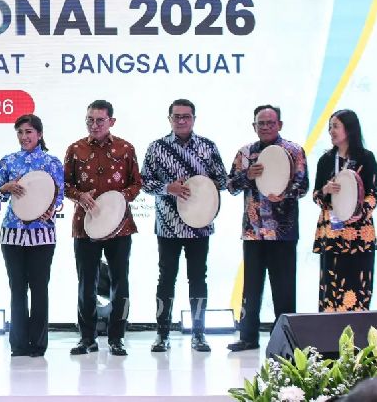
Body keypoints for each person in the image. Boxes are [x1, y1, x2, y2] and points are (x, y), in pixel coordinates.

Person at [140, 98, 228, 353]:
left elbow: (223, 180)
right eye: (176, 116)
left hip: (200, 224)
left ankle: (199, 334)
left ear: (194, 119)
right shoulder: (157, 147)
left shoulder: (207, 146)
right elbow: (144, 183)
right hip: (168, 224)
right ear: (169, 119)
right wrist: (168, 188)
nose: (181, 121)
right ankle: (162, 333)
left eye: (186, 116)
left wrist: (203, 185)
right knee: (166, 278)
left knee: (198, 278)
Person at [226, 104, 308, 352]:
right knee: (251, 288)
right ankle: (248, 337)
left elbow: (303, 186)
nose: (265, 127)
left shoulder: (294, 150)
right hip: (253, 231)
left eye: (270, 123)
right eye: (260, 123)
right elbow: (230, 186)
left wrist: (283, 194)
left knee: (284, 289)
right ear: (254, 126)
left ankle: (286, 341)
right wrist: (247, 176)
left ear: (279, 124)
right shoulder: (245, 152)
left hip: (283, 232)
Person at [64, 100, 142, 357]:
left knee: (120, 282)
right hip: (85, 225)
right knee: (86, 283)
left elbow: (136, 184)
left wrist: (118, 200)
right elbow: (65, 184)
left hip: (120, 225)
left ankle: (117, 337)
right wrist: (79, 196)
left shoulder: (126, 148)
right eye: (90, 120)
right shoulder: (75, 149)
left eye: (99, 120)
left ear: (111, 121)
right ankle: (87, 338)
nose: (94, 125)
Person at [0, 114, 64, 357]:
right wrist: (5, 188)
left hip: (42, 234)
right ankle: (19, 344)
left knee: (40, 288)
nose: (24, 137)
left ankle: (38, 343)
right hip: (12, 233)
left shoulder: (52, 163)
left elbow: (59, 196)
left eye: (29, 132)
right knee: (17, 289)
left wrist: (51, 209)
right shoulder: (8, 161)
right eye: (20, 132)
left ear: (39, 134)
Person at [313, 109, 377, 312]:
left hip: (358, 235)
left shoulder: (366, 159)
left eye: (335, 126)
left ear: (349, 129)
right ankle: (329, 330)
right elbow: (316, 196)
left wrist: (356, 214)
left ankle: (358, 330)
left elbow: (373, 195)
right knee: (331, 287)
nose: (331, 131)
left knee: (358, 286)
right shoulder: (325, 160)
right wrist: (325, 191)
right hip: (332, 234)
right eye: (329, 127)